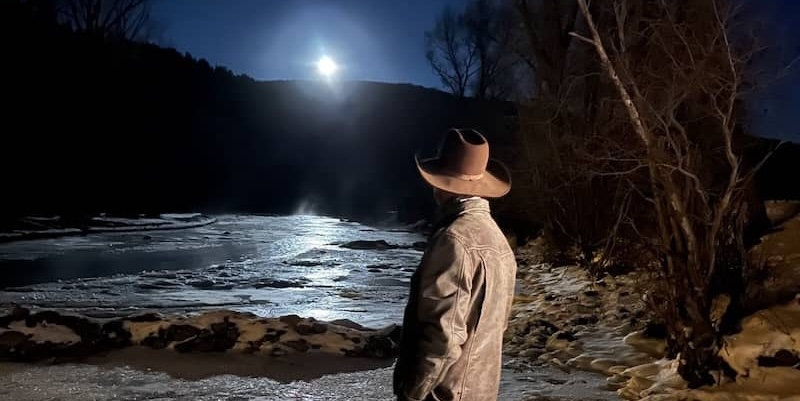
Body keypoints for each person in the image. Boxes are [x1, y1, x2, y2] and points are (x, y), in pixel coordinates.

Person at [393, 128, 518, 401]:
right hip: (482, 390)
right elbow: (499, 326)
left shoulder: (453, 240)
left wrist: (412, 392)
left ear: (440, 185)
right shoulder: (499, 241)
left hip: (445, 394)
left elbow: (443, 337)